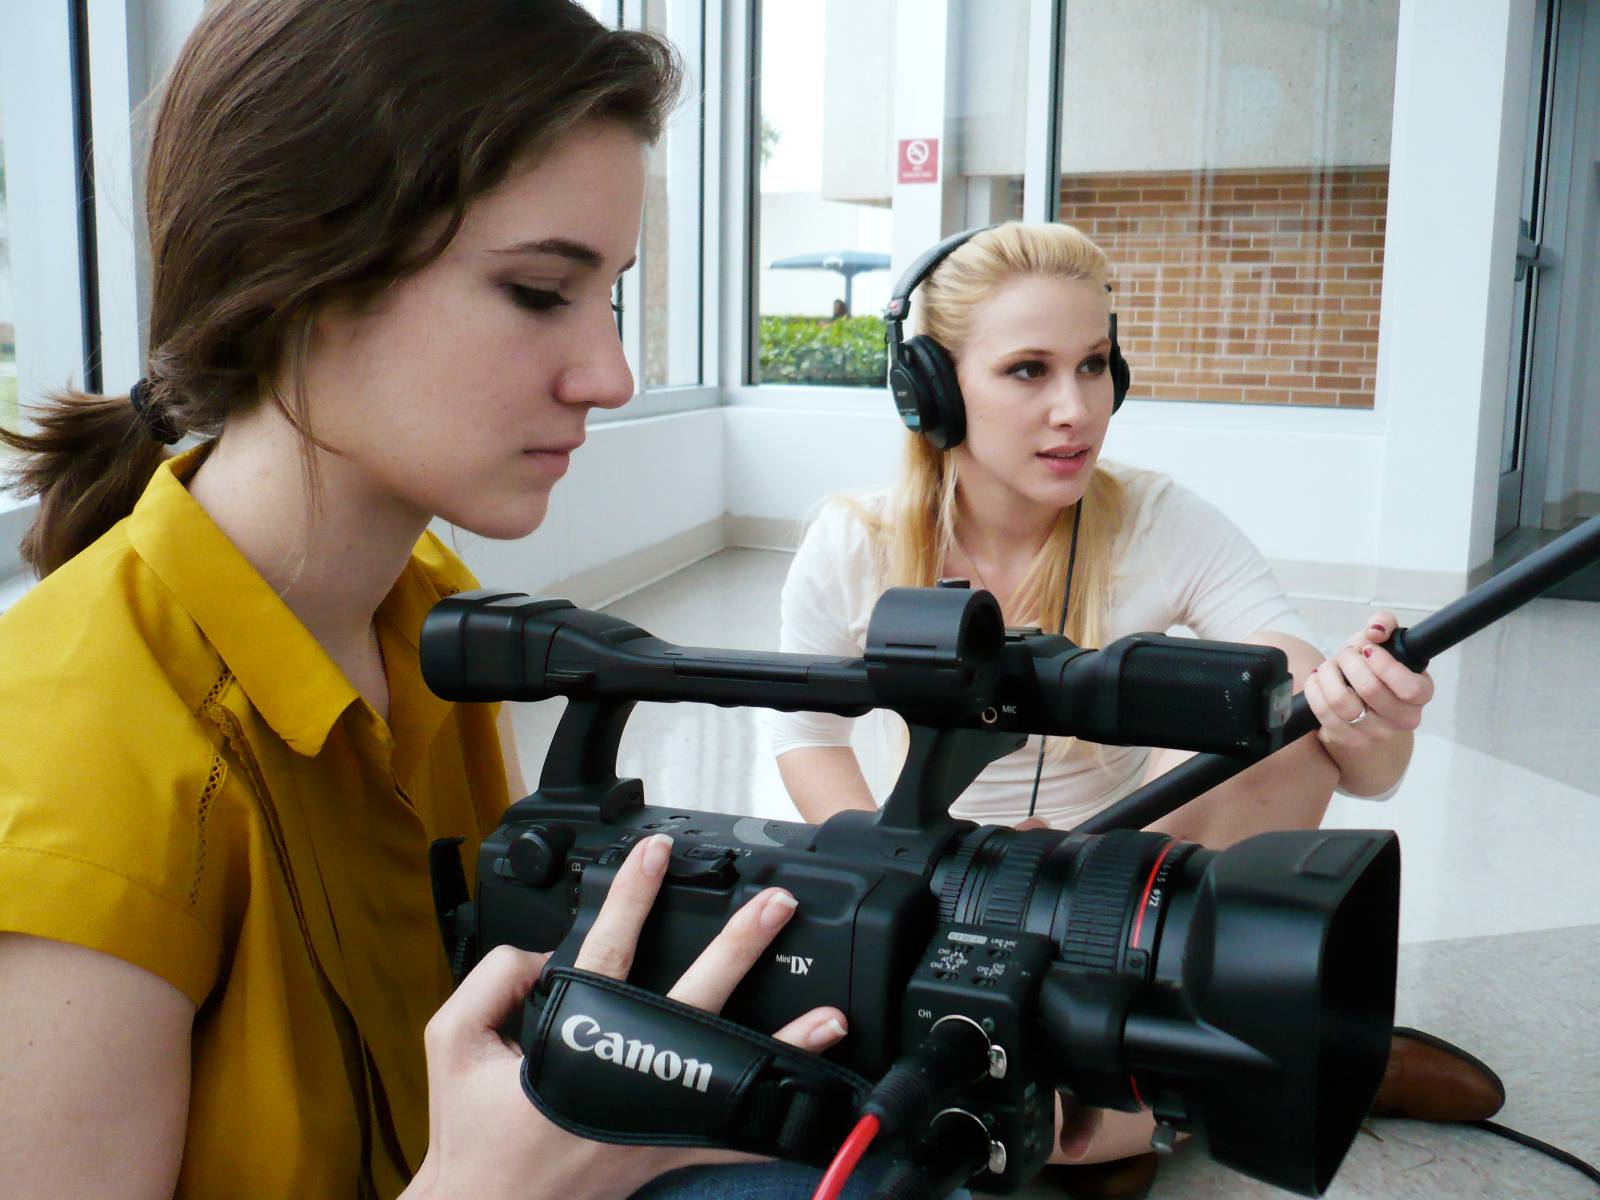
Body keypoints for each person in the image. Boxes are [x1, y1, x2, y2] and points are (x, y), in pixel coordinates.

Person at [0, 4, 866, 1198]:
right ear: (294, 269)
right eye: (534, 291)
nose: (610, 376)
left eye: (608, 293)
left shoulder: (430, 611)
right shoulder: (68, 755)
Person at [768, 222, 1506, 1196]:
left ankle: (1196, 1089)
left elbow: (1332, 734)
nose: (1075, 410)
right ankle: (1253, 1071)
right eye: (1027, 371)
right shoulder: (851, 542)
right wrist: (921, 877)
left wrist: (1364, 712)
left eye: (1094, 366)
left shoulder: (1163, 519)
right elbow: (804, 740)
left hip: (1121, 880)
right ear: (931, 388)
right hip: (934, 878)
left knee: (1278, 740)